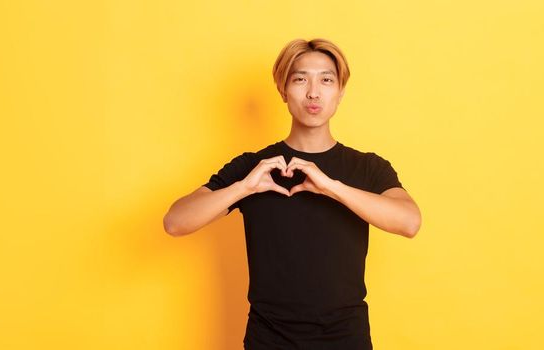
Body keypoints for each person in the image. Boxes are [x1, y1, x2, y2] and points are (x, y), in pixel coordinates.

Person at [163, 38, 422, 349]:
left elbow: (409, 222)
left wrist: (332, 187)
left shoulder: (366, 167)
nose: (313, 92)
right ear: (283, 90)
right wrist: (244, 187)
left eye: (326, 80)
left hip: (345, 339)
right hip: (268, 339)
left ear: (340, 92)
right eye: (300, 79)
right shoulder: (254, 167)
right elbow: (175, 222)